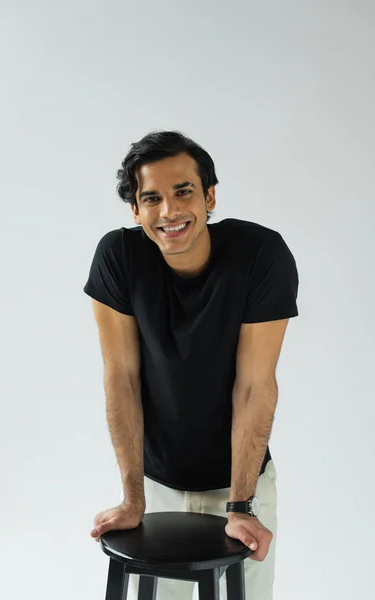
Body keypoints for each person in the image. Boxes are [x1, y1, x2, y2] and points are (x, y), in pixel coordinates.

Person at [83, 130, 299, 600]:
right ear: (136, 211)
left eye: (183, 192)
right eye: (152, 198)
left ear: (209, 196)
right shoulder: (118, 257)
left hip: (242, 481)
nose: (170, 211)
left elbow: (255, 386)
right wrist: (133, 498)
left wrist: (239, 505)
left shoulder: (261, 256)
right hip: (157, 482)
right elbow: (121, 381)